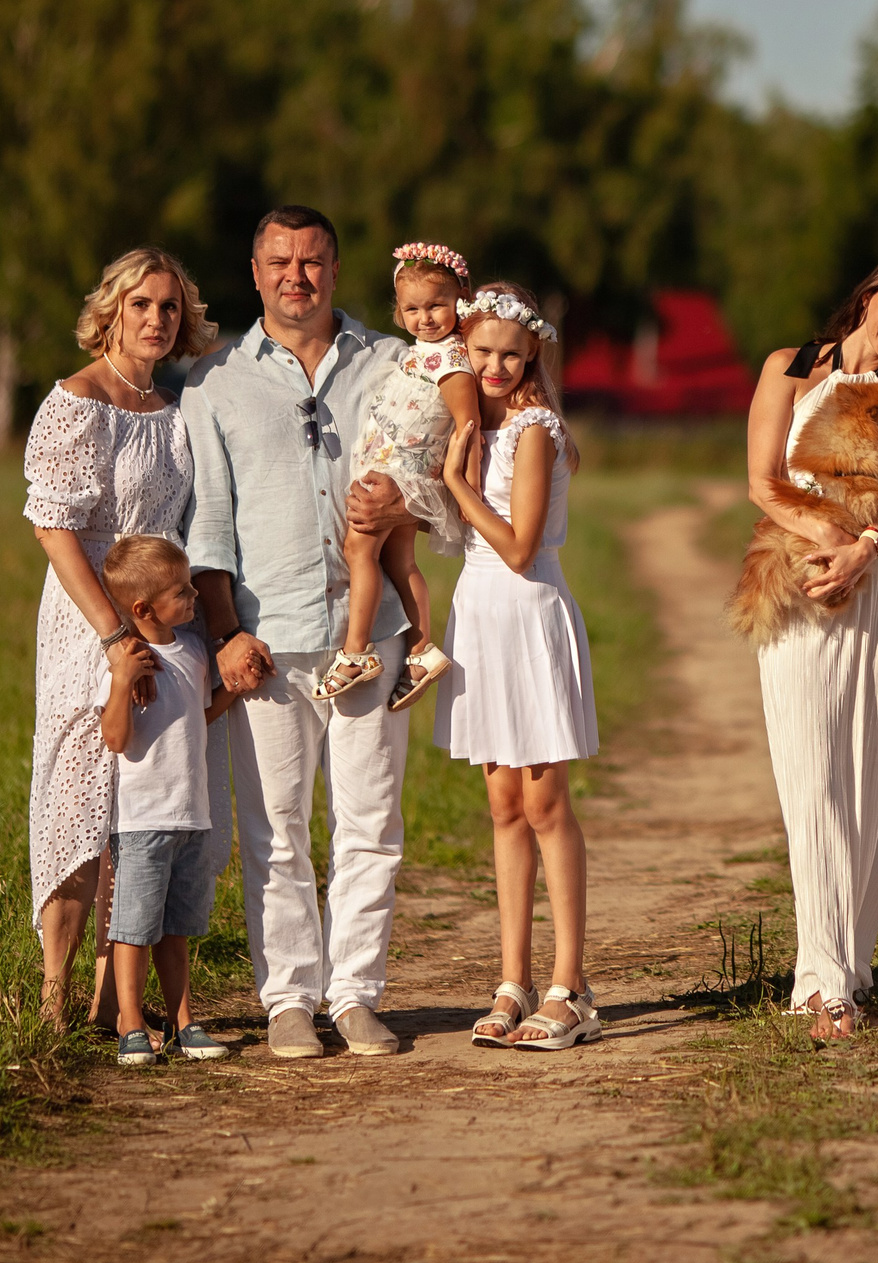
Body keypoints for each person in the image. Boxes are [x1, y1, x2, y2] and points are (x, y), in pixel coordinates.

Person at [180, 205, 422, 1060]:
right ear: (254, 272)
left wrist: (406, 501)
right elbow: (207, 527)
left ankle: (355, 993)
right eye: (279, 260)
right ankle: (288, 996)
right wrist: (224, 634)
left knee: (370, 819)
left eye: (312, 260)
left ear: (336, 266)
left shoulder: (392, 364)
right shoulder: (215, 384)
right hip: (269, 637)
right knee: (277, 826)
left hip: (373, 631)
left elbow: (433, 470)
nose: (297, 275)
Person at [744, 256, 878, 1041]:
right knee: (810, 773)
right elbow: (762, 479)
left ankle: (850, 966)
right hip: (797, 570)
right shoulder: (789, 368)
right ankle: (819, 977)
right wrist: (824, 539)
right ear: (868, 297)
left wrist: (863, 546)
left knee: (868, 774)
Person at [23, 246, 214, 1027]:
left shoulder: (174, 411)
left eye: (169, 307)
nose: (156, 320)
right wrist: (110, 635)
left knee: (141, 802)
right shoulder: (75, 401)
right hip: (89, 619)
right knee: (79, 797)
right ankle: (53, 998)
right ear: (111, 310)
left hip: (163, 624)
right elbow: (54, 527)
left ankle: (117, 996)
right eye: (141, 304)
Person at [436, 284, 603, 1052]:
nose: (495, 365)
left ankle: (570, 984)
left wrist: (458, 484)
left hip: (529, 614)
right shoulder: (476, 423)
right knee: (502, 804)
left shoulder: (534, 427)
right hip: (480, 619)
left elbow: (519, 546)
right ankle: (513, 977)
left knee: (544, 805)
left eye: (510, 351)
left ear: (533, 349)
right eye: (482, 351)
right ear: (463, 350)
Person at [314, 241, 482, 710]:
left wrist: (470, 494)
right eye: (413, 308)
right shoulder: (420, 351)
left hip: (402, 472)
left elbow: (469, 430)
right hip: (392, 467)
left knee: (358, 547)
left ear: (459, 302)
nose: (425, 317)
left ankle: (355, 651)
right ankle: (422, 648)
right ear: (399, 310)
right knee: (398, 561)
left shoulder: (450, 361)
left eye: (436, 305)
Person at [93, 537, 239, 1065]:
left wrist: (233, 689)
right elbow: (114, 737)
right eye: (182, 591)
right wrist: (121, 682)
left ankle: (184, 1021)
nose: (195, 594)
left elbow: (195, 719)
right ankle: (129, 1023)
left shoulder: (194, 650)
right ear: (143, 609)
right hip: (141, 819)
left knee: (176, 927)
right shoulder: (128, 660)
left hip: (191, 815)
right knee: (134, 927)